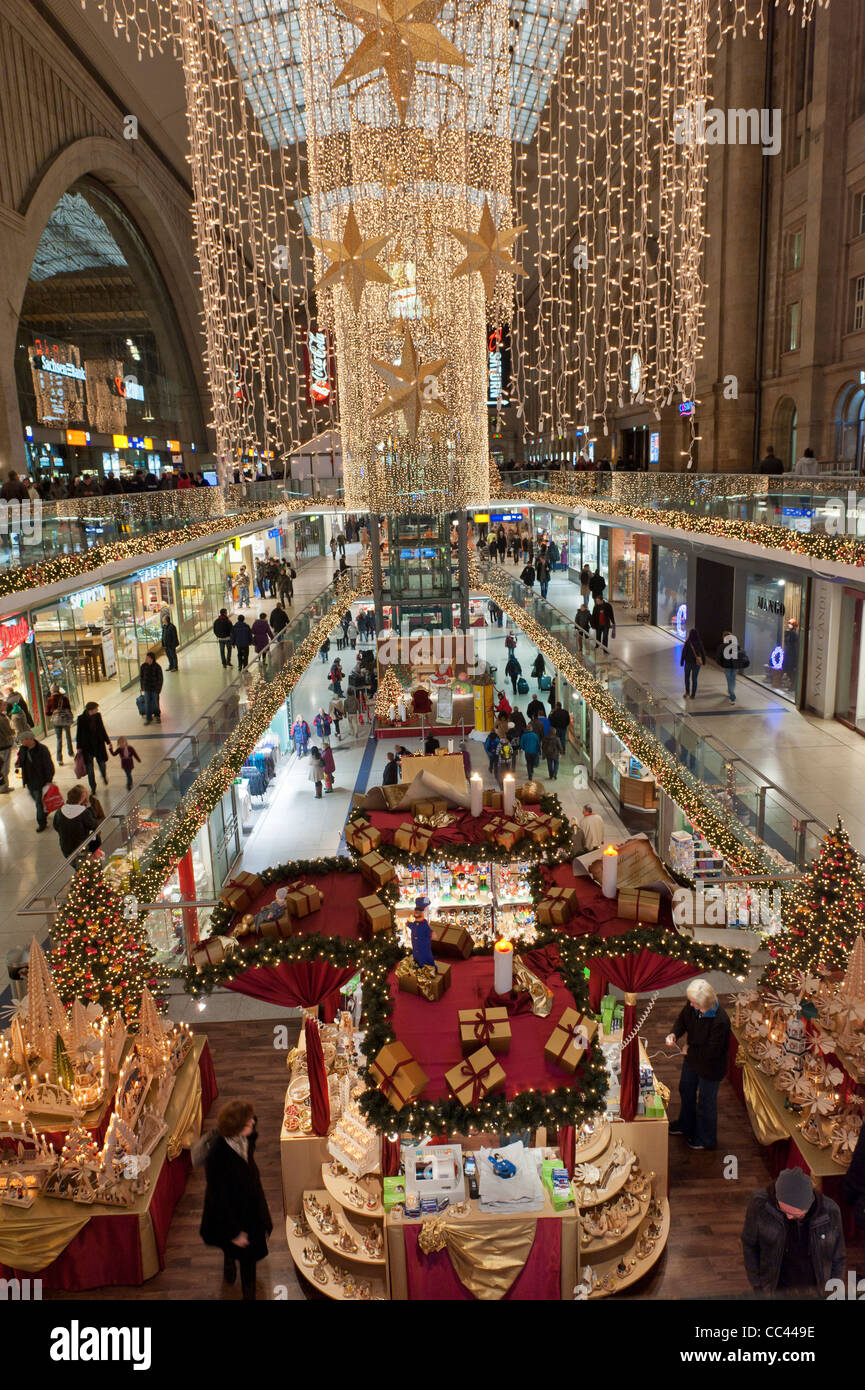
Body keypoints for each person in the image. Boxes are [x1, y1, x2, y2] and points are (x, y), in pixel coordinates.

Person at [200, 1100, 272, 1301]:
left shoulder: (244, 1138)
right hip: (233, 1217)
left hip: (249, 1207)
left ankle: (229, 1260)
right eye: (248, 1122)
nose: (253, 1122)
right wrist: (234, 1233)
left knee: (241, 1255)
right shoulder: (217, 1157)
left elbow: (252, 1126)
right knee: (247, 1263)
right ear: (236, 1130)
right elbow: (219, 1201)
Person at [742, 1167, 845, 1298]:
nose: (789, 1217)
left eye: (795, 1214)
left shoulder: (830, 1212)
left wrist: (833, 1290)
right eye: (784, 1210)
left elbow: (838, 1256)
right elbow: (749, 1244)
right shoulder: (759, 1204)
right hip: (775, 1289)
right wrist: (757, 1284)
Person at [665, 978, 731, 1151]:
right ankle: (686, 1124)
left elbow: (712, 1052)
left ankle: (706, 1138)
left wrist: (688, 1050)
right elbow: (682, 1020)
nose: (691, 1005)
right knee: (686, 1089)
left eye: (694, 1003)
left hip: (711, 1067)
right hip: (693, 1058)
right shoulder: (693, 1006)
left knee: (706, 1102)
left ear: (705, 1004)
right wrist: (674, 1034)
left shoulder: (721, 1021)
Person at [15, 734, 55, 831]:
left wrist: (49, 780)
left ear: (30, 739)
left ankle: (41, 823)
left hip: (40, 780)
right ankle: (44, 812)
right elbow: (20, 762)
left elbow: (49, 765)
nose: (21, 742)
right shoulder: (22, 750)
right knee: (36, 799)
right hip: (29, 781)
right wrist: (17, 763)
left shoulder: (42, 749)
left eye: (23, 740)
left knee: (38, 803)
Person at [54, 784, 100, 858]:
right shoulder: (84, 812)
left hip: (66, 847)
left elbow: (56, 826)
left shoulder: (59, 812)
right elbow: (94, 825)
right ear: (81, 798)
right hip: (82, 847)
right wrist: (90, 808)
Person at [75, 700, 114, 785]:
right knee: (90, 769)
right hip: (87, 747)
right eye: (96, 709)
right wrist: (78, 747)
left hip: (98, 745)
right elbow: (79, 734)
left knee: (102, 764)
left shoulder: (98, 716)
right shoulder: (81, 719)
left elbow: (102, 729)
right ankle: (93, 787)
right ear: (91, 710)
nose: (97, 710)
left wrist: (108, 741)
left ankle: (104, 776)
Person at [718, 631, 749, 704]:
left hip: (727, 666)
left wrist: (721, 664)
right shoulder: (736, 645)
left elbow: (719, 657)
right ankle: (730, 691)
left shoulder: (723, 646)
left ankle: (732, 695)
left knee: (729, 679)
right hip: (735, 666)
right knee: (733, 679)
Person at [46, 683, 74, 764]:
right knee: (68, 737)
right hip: (65, 720)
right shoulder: (65, 698)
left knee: (59, 739)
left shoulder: (50, 699)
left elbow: (47, 713)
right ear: (58, 689)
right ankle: (71, 753)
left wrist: (53, 712)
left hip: (57, 721)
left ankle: (59, 759)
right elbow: (69, 708)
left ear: (51, 690)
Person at [680, 627, 706, 699]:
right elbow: (703, 653)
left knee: (687, 678)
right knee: (694, 679)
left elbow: (684, 653)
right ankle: (693, 695)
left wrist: (682, 661)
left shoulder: (688, 643)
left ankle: (687, 692)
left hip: (688, 662)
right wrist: (704, 661)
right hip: (697, 664)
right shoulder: (699, 642)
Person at [138, 655, 163, 725]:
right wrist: (142, 686)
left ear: (151, 659)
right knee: (147, 703)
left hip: (155, 689)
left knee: (156, 703)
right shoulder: (143, 666)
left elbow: (160, 679)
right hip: (147, 688)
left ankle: (157, 716)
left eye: (147, 658)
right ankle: (148, 718)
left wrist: (158, 689)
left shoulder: (157, 667)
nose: (146, 659)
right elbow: (141, 677)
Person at [0, 703, 13, 793]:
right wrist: (13, 730)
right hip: (4, 745)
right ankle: (4, 787)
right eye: (3, 705)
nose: (5, 706)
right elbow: (8, 732)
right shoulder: (2, 718)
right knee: (5, 767)